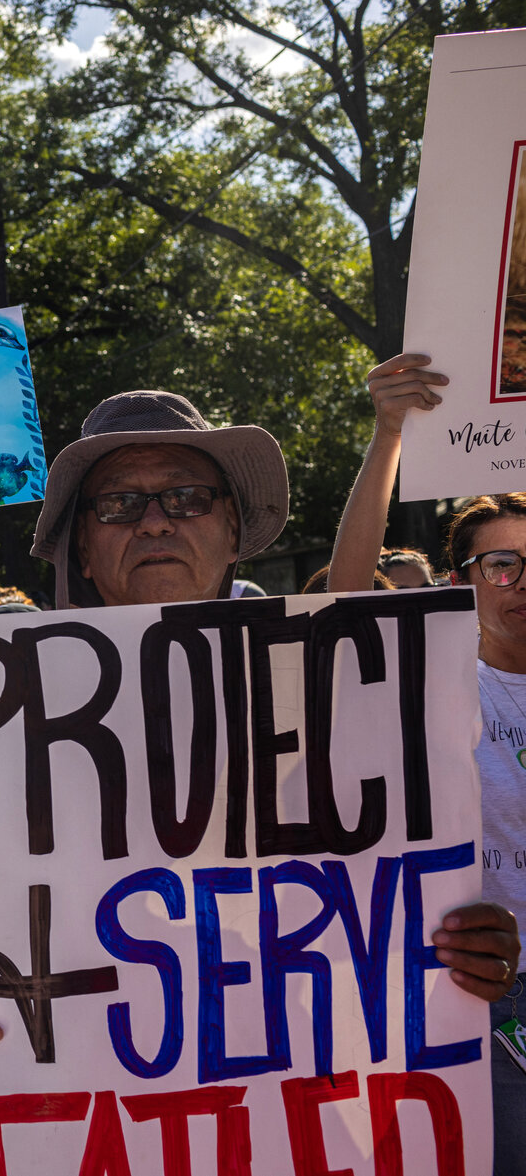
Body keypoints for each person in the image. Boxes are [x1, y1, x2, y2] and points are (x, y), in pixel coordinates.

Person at [0, 387, 522, 1139]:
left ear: (233, 530)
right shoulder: (17, 717)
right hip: (107, 1119)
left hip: (317, 1103)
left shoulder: (343, 688)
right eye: (120, 503)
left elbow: (397, 885)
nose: (155, 519)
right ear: (82, 546)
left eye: (187, 497)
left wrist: (465, 937)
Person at [325, 352, 526, 1169]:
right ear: (460, 580)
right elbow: (344, 598)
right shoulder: (430, 681)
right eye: (502, 563)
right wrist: (388, 434)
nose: (521, 580)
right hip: (483, 994)